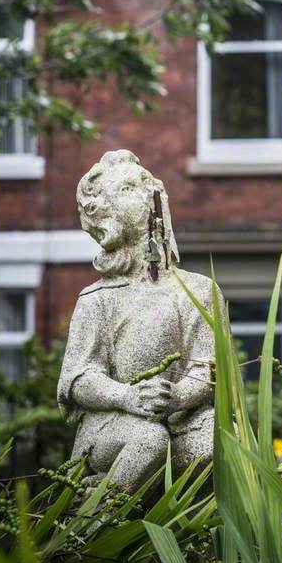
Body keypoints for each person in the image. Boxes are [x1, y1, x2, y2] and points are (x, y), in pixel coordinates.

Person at [58, 150, 219, 489]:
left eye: (134, 189)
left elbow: (210, 368)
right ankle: (94, 523)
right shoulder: (96, 299)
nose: (141, 196)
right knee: (149, 441)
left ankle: (196, 538)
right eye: (126, 191)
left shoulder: (198, 291)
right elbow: (77, 377)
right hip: (113, 423)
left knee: (212, 446)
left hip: (180, 416)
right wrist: (126, 397)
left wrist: (177, 396)